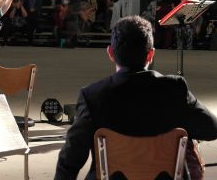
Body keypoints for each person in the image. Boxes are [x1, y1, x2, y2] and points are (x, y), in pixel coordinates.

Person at [54, 15, 217, 180]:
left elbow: (70, 160)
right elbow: (212, 129)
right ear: (151, 54)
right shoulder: (175, 88)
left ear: (111, 53)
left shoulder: (92, 96)